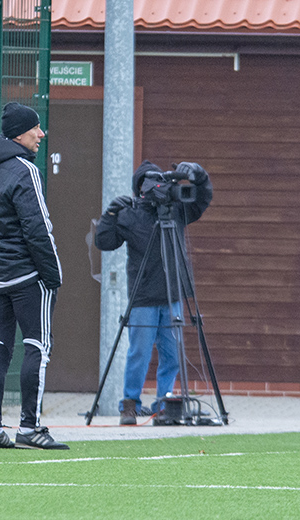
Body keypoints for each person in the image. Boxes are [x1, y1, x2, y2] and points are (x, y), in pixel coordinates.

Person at [0, 102, 67, 450]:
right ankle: (30, 427)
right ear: (21, 134)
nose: (42, 134)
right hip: (27, 277)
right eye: (36, 129)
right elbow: (38, 228)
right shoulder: (24, 170)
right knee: (37, 346)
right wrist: (52, 276)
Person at [95, 160, 213, 425]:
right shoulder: (130, 215)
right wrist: (111, 214)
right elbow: (104, 242)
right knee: (140, 352)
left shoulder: (176, 211)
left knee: (172, 353)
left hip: (172, 295)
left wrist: (199, 175)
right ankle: (130, 405)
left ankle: (166, 403)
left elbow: (203, 198)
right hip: (144, 297)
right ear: (140, 190)